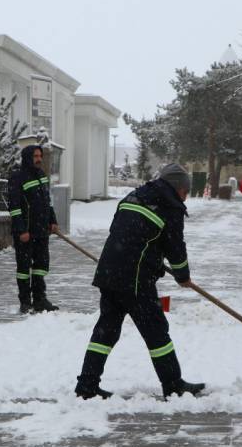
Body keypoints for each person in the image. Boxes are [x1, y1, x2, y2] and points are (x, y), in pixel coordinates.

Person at [74, 163, 205, 400]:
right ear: (177, 188)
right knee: (156, 332)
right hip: (135, 280)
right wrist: (182, 275)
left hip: (109, 272)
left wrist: (146, 255)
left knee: (106, 331)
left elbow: (122, 230)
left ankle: (87, 385)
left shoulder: (133, 196)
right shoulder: (170, 206)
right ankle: (173, 384)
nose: (185, 197)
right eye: (186, 191)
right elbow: (175, 247)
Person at [7, 144, 60, 314]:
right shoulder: (18, 177)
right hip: (26, 233)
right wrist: (21, 229)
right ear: (28, 157)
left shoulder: (42, 176)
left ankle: (39, 299)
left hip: (41, 231)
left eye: (40, 156)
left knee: (41, 265)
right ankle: (25, 301)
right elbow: (14, 207)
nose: (39, 159)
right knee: (24, 268)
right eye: (35, 156)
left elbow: (47, 202)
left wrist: (53, 220)